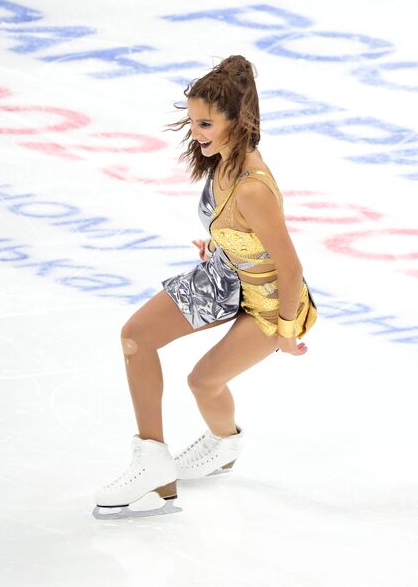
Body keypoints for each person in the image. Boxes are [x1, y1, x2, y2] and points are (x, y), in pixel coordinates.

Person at [93, 55, 316, 518]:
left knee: (202, 381)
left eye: (206, 123)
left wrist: (288, 333)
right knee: (136, 338)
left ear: (238, 120)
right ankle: (153, 464)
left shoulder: (253, 186)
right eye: (192, 121)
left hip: (268, 306)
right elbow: (238, 231)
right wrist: (221, 247)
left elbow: (290, 268)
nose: (196, 132)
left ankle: (223, 444)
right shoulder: (222, 162)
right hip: (224, 277)